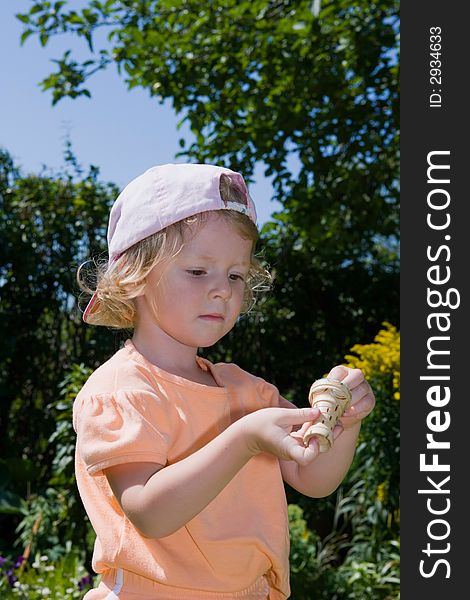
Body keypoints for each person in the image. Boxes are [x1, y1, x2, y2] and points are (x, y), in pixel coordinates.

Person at [73, 163, 375, 600]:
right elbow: (149, 513)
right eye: (199, 271)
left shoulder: (248, 391)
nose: (223, 290)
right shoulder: (121, 391)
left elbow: (315, 477)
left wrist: (344, 422)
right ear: (134, 277)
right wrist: (245, 439)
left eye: (236, 275)